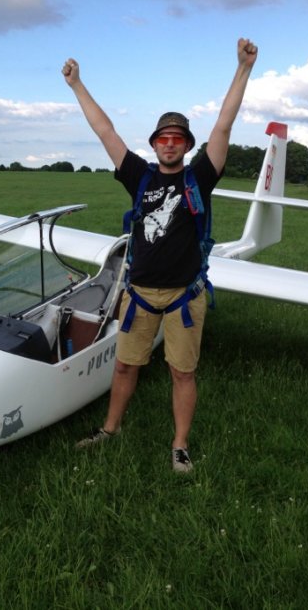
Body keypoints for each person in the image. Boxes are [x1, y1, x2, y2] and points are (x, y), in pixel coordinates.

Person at [62, 38, 258, 472]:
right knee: (124, 367)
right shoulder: (139, 176)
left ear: (186, 145)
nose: (170, 144)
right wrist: (77, 85)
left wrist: (243, 68)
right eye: (163, 139)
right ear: (154, 144)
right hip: (139, 295)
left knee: (182, 373)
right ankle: (110, 429)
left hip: (184, 296)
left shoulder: (199, 177)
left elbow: (223, 127)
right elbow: (105, 131)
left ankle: (180, 445)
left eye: (177, 139)